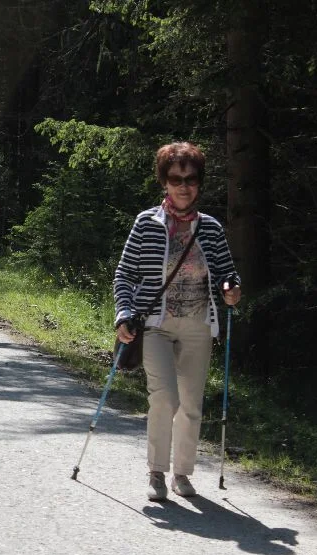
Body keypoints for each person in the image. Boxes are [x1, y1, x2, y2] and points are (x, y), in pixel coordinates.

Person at [113, 142, 241, 500]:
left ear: (199, 183)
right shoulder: (146, 223)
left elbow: (228, 275)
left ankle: (182, 474)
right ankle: (156, 471)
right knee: (165, 397)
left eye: (192, 178)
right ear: (164, 182)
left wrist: (231, 289)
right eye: (176, 178)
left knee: (191, 404)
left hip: (198, 325)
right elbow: (123, 275)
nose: (184, 186)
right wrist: (124, 313)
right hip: (155, 324)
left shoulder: (210, 228)